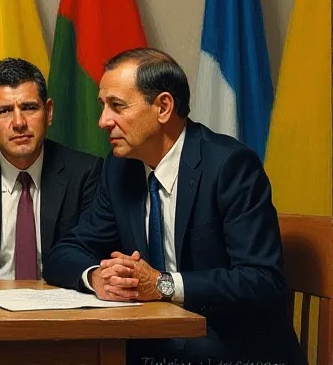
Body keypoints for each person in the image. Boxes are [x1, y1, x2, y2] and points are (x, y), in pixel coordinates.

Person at [42, 48, 304, 364]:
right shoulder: (120, 169)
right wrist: (98, 276)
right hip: (157, 343)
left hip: (235, 348)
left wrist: (162, 285)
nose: (103, 121)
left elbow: (262, 282)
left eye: (117, 106)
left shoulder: (229, 166)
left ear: (163, 107)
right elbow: (64, 252)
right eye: (103, 106)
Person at [0, 58, 100, 280]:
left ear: (49, 112)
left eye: (29, 107)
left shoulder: (86, 173)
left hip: (60, 303)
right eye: (4, 111)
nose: (18, 122)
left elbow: (90, 252)